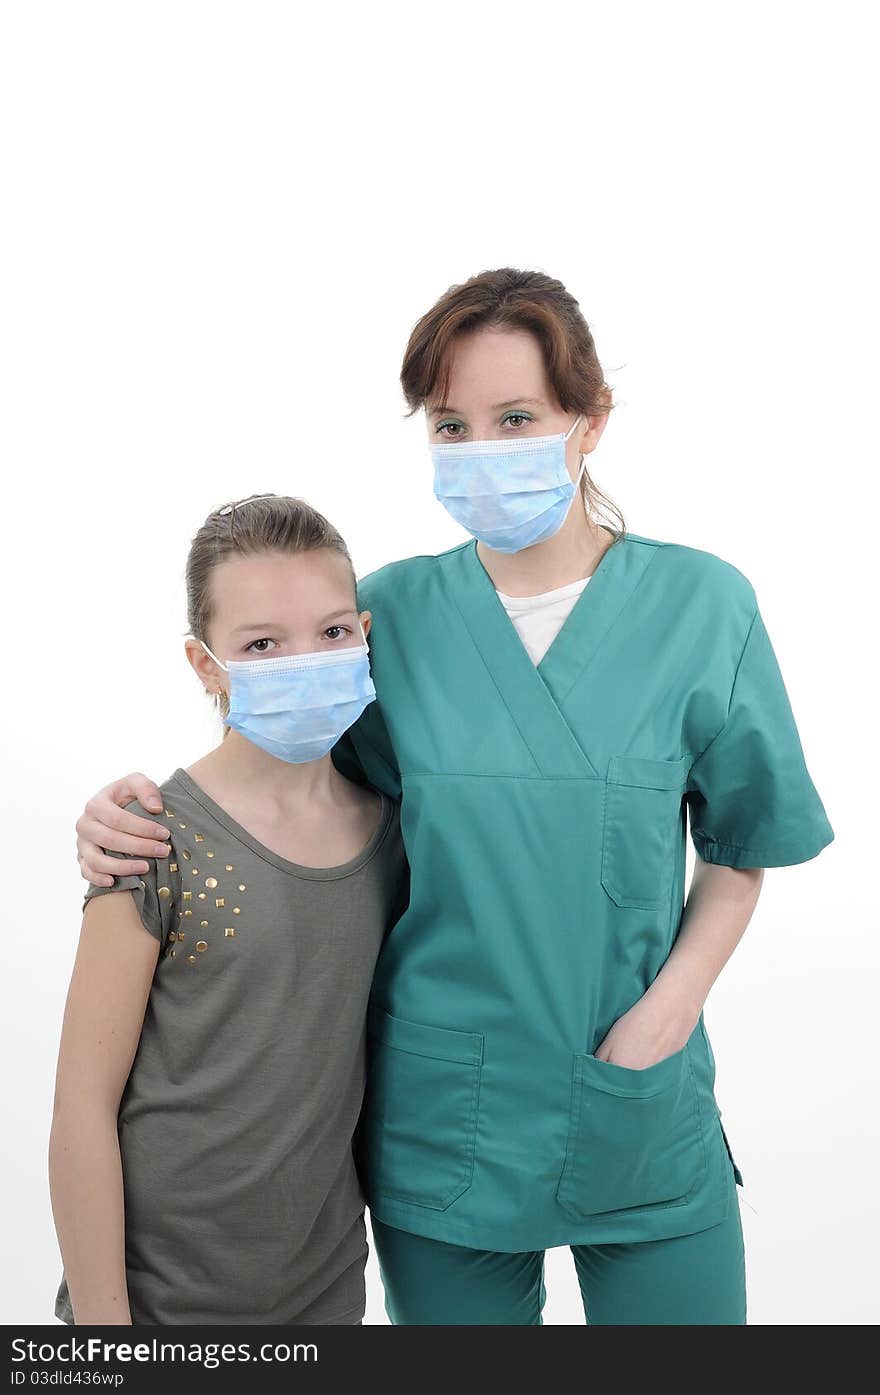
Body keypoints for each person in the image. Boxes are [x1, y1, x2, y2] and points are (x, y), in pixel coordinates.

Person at [74, 268, 834, 1325]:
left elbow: (742, 843)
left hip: (640, 1095)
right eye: (451, 425)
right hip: (445, 1116)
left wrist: (670, 1008)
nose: (482, 451)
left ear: (590, 419)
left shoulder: (704, 604)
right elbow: (289, 787)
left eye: (515, 417)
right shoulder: (387, 616)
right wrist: (127, 814)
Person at [50, 494, 407, 1325]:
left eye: (331, 632)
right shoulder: (149, 839)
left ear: (363, 632)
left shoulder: (391, 836)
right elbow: (81, 1106)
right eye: (260, 644)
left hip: (323, 1293)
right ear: (205, 664)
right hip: (158, 1303)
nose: (306, 660)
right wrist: (108, 1336)